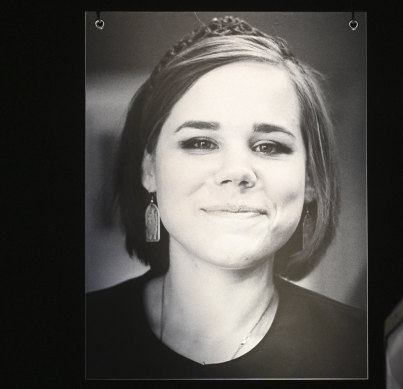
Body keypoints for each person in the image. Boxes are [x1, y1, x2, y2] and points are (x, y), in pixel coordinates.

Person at [85, 15, 366, 379]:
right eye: (200, 142)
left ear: (311, 178)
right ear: (149, 170)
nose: (237, 171)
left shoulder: (366, 350)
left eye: (269, 146)